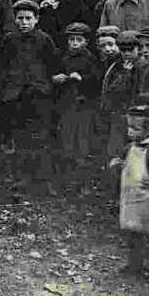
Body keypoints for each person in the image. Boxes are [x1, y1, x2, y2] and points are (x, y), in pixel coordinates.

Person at [0, 0, 59, 190]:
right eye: (20, 18)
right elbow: (2, 65)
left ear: (36, 19)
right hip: (15, 95)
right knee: (19, 136)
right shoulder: (10, 39)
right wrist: (5, 88)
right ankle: (21, 176)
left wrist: (46, 86)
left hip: (38, 94)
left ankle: (42, 177)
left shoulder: (44, 39)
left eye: (28, 18)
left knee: (39, 137)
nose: (24, 22)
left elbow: (52, 64)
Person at [108, 104, 149, 278]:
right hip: (132, 197)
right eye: (129, 127)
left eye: (135, 128)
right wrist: (118, 163)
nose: (130, 132)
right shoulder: (131, 147)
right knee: (133, 233)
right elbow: (124, 160)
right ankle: (134, 263)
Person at [52, 22, 101, 187]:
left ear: (86, 42)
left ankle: (83, 181)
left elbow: (96, 82)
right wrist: (57, 78)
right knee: (67, 139)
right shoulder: (63, 57)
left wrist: (82, 79)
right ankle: (67, 179)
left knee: (82, 141)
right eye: (71, 39)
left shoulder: (90, 59)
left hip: (84, 106)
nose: (74, 43)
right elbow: (57, 77)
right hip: (67, 106)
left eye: (78, 40)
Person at [100, 31, 145, 170]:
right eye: (123, 50)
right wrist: (124, 74)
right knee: (117, 152)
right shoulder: (117, 66)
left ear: (139, 49)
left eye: (130, 50)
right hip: (119, 115)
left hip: (136, 115)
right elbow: (111, 90)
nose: (126, 54)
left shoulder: (142, 66)